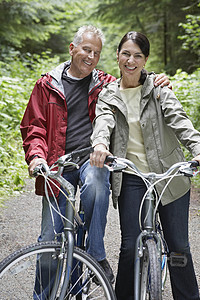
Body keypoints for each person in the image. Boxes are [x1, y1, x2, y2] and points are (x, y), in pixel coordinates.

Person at [20, 25, 170, 297]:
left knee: (98, 181)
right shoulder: (47, 85)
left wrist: (156, 79)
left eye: (96, 53)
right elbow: (34, 127)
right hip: (57, 165)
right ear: (72, 49)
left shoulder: (104, 83)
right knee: (51, 240)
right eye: (86, 49)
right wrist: (37, 157)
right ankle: (42, 296)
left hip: (92, 159)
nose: (90, 56)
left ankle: (95, 256)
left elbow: (133, 78)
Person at [90, 31, 200, 300]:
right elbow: (103, 123)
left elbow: (180, 121)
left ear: (145, 59)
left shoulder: (159, 90)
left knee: (179, 247)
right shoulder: (109, 94)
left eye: (137, 55)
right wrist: (100, 145)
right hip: (131, 176)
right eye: (126, 54)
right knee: (129, 246)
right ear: (117, 56)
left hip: (169, 176)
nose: (131, 60)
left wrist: (198, 147)